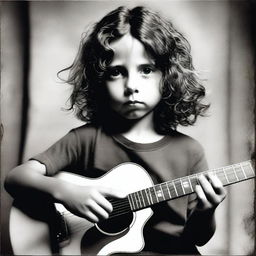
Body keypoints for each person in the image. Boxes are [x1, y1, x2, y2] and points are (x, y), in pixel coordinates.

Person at [5, 6, 226, 255]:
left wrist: (207, 210)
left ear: (167, 75)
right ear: (99, 79)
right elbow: (16, 178)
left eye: (146, 70)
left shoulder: (190, 152)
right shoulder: (86, 140)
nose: (131, 85)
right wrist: (66, 192)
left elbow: (198, 237)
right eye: (116, 72)